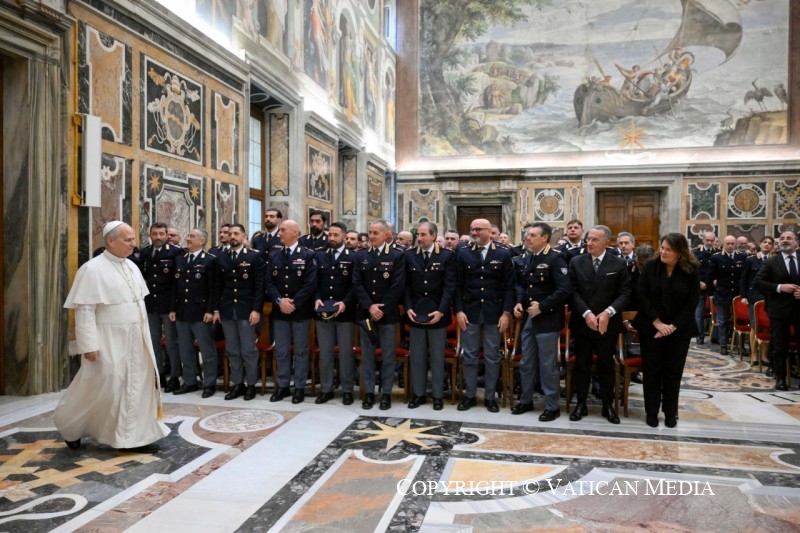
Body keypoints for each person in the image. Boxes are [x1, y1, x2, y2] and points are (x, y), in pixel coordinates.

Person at [55, 221, 169, 452]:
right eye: (127, 240)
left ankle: (133, 438)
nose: (133, 244)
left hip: (138, 338)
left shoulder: (132, 267)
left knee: (137, 385)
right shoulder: (92, 269)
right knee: (100, 386)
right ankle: (70, 426)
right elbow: (85, 310)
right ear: (110, 241)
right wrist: (88, 345)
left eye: (133, 239)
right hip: (108, 339)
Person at [633, 233, 700, 428]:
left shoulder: (691, 269)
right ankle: (651, 412)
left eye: (668, 249)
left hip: (679, 329)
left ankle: (670, 412)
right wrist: (657, 322)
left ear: (680, 253)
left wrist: (672, 326)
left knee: (673, 372)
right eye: (662, 247)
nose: (663, 252)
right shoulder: (651, 266)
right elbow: (642, 295)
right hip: (651, 327)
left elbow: (692, 301)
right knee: (652, 371)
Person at [568, 225, 630, 424]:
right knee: (582, 365)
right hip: (583, 323)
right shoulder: (576, 262)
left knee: (606, 366)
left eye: (595, 239)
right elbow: (573, 291)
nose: (589, 243)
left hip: (607, 325)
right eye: (588, 239)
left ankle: (607, 405)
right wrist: (586, 313)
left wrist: (608, 312)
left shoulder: (619, 264)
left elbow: (625, 293)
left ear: (606, 243)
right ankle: (581, 404)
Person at [511, 223, 571, 421]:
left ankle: (552, 406)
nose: (527, 238)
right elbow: (524, 286)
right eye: (527, 235)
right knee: (526, 362)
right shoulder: (529, 257)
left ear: (544, 238)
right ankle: (526, 400)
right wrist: (519, 303)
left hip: (547, 319)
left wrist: (543, 306)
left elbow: (564, 290)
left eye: (533, 235)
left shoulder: (555, 258)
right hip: (530, 317)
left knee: (547, 365)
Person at [454, 218, 514, 413]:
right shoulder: (463, 253)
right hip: (470, 312)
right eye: (472, 229)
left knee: (491, 356)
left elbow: (509, 287)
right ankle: (469, 395)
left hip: (493, 313)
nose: (474, 232)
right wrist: (459, 310)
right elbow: (457, 285)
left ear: (490, 232)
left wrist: (506, 313)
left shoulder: (503, 254)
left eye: (479, 229)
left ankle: (490, 397)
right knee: (469, 356)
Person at [352, 220, 406, 410]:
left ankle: (386, 394)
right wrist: (370, 306)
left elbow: (397, 285)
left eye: (376, 233)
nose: (372, 236)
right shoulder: (360, 256)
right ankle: (368, 393)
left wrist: (381, 308)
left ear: (386, 235)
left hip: (387, 314)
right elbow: (356, 283)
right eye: (370, 233)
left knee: (388, 356)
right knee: (367, 355)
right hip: (366, 314)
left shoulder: (397, 256)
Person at [404, 222, 456, 411]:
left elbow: (449, 286)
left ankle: (437, 396)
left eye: (424, 235)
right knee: (417, 357)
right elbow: (406, 286)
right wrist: (408, 307)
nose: (420, 238)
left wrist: (441, 310)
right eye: (418, 234)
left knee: (437, 357)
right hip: (416, 314)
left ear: (434, 236)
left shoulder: (447, 256)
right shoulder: (409, 255)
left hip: (437, 315)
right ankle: (418, 394)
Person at [265, 220, 318, 404]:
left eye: (283, 230)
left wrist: (293, 303)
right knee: (281, 351)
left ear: (295, 232)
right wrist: (280, 300)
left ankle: (300, 387)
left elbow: (310, 284)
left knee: (301, 351)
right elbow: (269, 283)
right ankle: (284, 386)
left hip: (300, 311)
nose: (279, 233)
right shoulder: (274, 255)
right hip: (280, 311)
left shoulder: (308, 255)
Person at [213, 224, 266, 401]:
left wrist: (256, 310)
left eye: (236, 233)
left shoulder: (254, 257)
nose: (233, 236)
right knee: (233, 349)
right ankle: (238, 384)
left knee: (248, 349)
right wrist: (216, 309)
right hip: (227, 309)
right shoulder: (221, 257)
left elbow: (260, 287)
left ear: (244, 236)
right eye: (230, 234)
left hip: (246, 310)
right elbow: (217, 286)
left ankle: (251, 384)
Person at [169, 228, 218, 397]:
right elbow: (175, 286)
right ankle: (190, 381)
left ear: (202, 241)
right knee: (185, 348)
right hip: (182, 311)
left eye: (192, 236)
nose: (188, 238)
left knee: (207, 349)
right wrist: (173, 308)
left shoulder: (210, 261)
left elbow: (214, 289)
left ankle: (209, 383)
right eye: (188, 235)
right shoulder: (180, 259)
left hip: (201, 312)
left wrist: (211, 310)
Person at [314, 222, 357, 405]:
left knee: (346, 352)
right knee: (325, 352)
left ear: (344, 237)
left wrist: (346, 302)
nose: (331, 238)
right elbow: (314, 281)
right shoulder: (320, 256)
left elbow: (356, 284)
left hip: (344, 313)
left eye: (335, 235)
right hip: (323, 312)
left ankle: (347, 389)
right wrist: (316, 298)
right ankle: (326, 389)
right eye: (329, 235)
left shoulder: (353, 257)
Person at [138, 222, 183, 391]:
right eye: (154, 233)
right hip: (151, 305)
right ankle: (159, 375)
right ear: (150, 234)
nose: (158, 237)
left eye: (161, 234)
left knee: (172, 343)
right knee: (154, 342)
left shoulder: (176, 252)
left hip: (169, 306)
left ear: (166, 236)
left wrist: (174, 306)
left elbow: (178, 282)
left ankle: (176, 377)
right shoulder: (144, 253)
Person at [754, 230, 800, 391]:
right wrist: (780, 287)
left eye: (789, 238)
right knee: (780, 346)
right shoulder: (772, 262)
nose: (785, 240)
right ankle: (780, 378)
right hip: (779, 310)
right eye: (782, 238)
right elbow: (758, 282)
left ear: (796, 243)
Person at [710, 235, 747, 355]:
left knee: (740, 320)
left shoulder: (742, 256)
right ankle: (723, 345)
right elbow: (710, 276)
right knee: (722, 321)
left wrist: (743, 294)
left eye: (732, 243)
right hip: (722, 293)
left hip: (737, 294)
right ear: (723, 244)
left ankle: (740, 346)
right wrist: (711, 293)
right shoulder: (716, 257)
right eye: (728, 244)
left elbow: (744, 277)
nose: (730, 246)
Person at [693, 231, 717, 345]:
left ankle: (716, 337)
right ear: (703, 240)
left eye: (711, 240)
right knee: (699, 313)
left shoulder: (717, 253)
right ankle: (700, 335)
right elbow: (691, 270)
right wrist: (698, 282)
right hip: (700, 287)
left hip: (714, 287)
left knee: (717, 312)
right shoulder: (696, 253)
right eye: (707, 240)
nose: (709, 242)